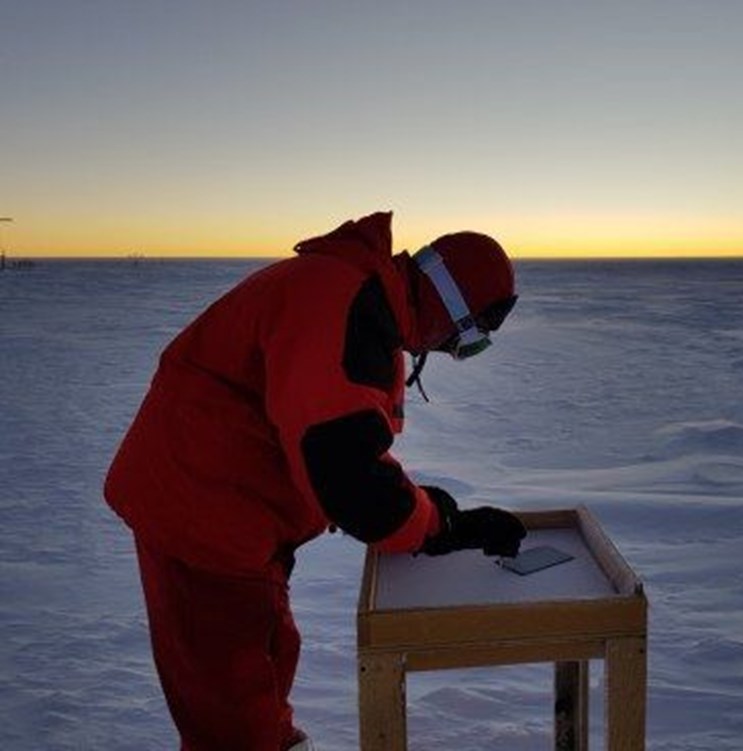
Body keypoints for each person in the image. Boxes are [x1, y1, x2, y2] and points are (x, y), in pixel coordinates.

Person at [104, 211, 527, 751]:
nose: (450, 351)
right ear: (451, 306)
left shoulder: (356, 296)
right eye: (465, 338)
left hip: (232, 508)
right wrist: (438, 525)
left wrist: (425, 509)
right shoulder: (340, 306)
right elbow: (347, 479)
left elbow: (331, 434)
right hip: (203, 515)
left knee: (267, 654)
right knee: (231, 704)